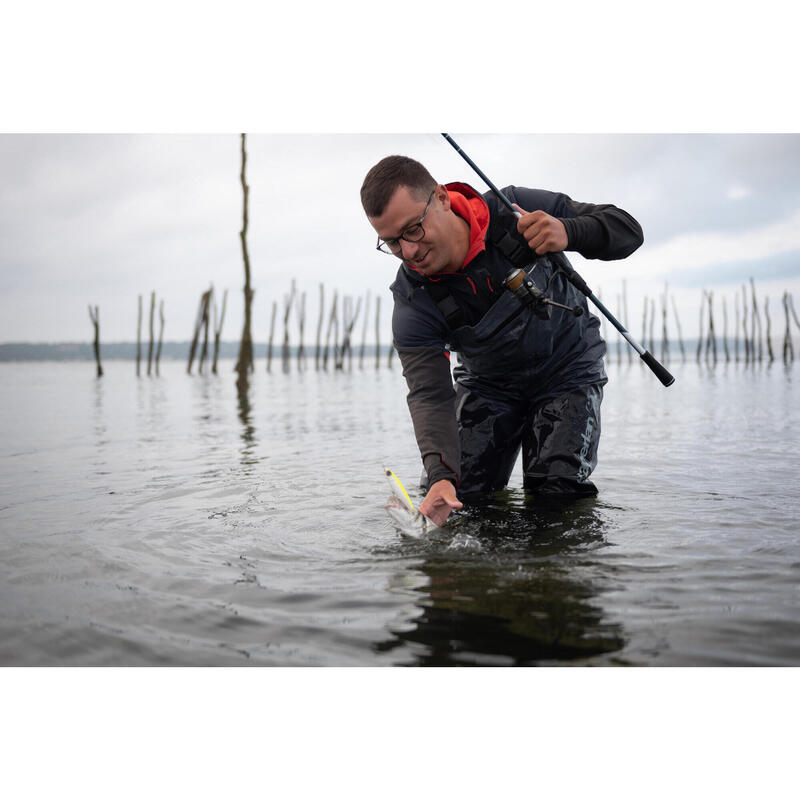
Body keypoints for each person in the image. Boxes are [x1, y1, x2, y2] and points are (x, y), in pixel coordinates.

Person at [361, 155, 643, 526]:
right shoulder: (413, 300)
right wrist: (441, 475)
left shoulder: (514, 209)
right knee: (458, 503)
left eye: (413, 230)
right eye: (392, 243)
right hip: (488, 386)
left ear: (442, 198)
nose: (408, 252)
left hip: (567, 371)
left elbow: (628, 231)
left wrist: (569, 231)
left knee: (555, 502)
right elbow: (430, 395)